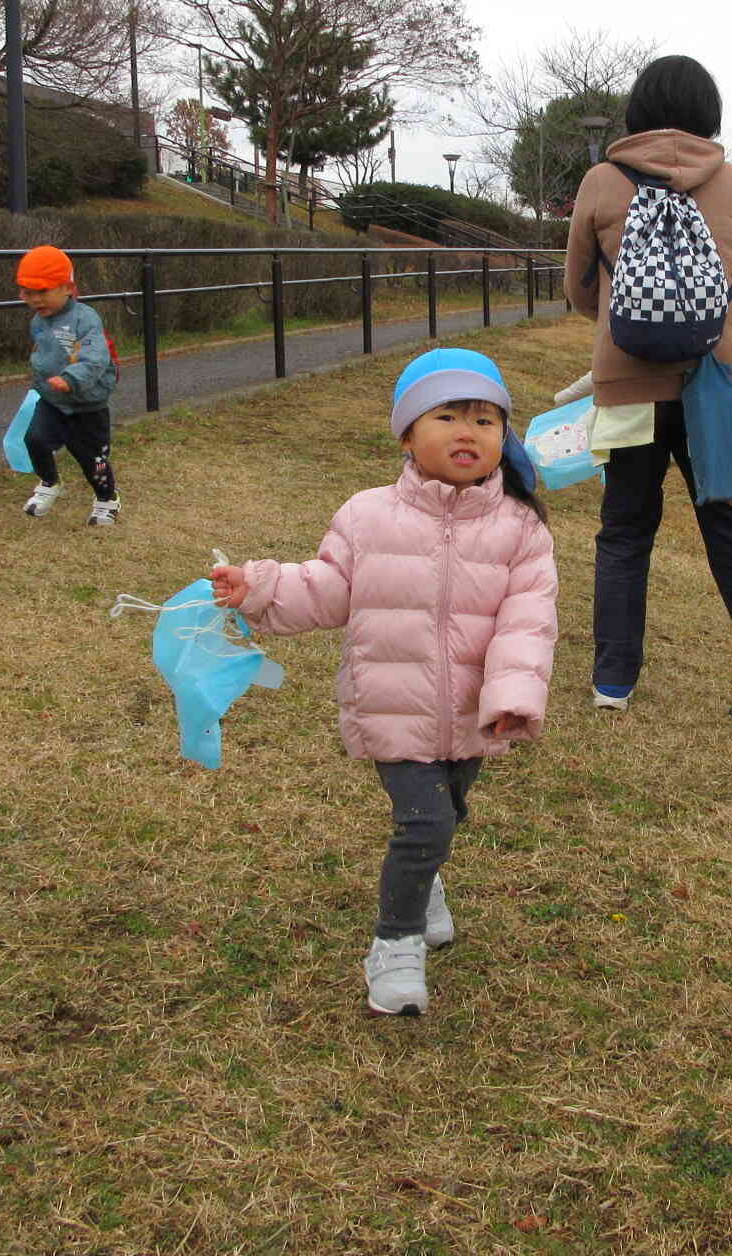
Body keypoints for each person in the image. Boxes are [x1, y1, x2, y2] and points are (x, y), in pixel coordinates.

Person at [210, 349, 557, 1017]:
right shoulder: (368, 516)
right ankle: (395, 945)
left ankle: (424, 886)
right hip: (392, 707)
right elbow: (328, 589)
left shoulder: (521, 529)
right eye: (447, 415)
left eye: (486, 420)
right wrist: (258, 586)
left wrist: (513, 699)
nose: (468, 432)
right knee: (424, 822)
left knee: (449, 814)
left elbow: (528, 619)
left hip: (472, 713)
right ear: (406, 434)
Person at [561, 55, 732, 731]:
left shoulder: (601, 179)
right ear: (709, 114)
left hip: (628, 385)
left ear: (637, 113)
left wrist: (631, 320)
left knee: (625, 530)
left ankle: (613, 682)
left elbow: (578, 290)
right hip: (715, 384)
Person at [16, 244, 122, 526]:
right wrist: (42, 380)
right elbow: (43, 353)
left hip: (87, 403)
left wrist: (71, 379)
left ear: (67, 287)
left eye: (43, 292)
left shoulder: (85, 319)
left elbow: (95, 356)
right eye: (28, 293)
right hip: (52, 400)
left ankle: (106, 496)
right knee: (34, 440)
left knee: (94, 460)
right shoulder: (38, 321)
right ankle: (49, 482)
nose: (36, 300)